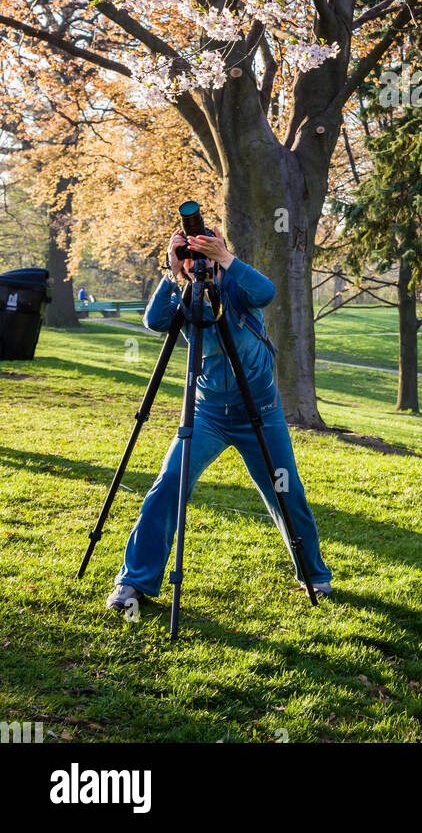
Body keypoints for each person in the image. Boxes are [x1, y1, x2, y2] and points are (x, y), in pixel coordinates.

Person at [105, 225, 332, 614]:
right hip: (207, 413)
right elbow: (155, 322)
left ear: (220, 251)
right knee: (169, 484)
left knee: (286, 490)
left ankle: (314, 576)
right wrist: (172, 271)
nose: (201, 263)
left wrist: (225, 258)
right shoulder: (186, 293)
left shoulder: (239, 287)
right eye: (195, 255)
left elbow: (267, 292)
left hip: (260, 412)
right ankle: (133, 582)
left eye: (206, 253)